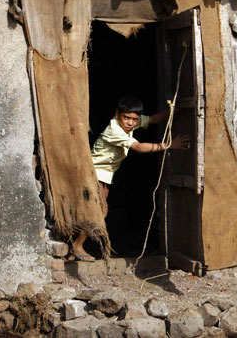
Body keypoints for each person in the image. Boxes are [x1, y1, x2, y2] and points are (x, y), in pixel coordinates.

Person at [70, 96, 189, 261]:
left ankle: (73, 245)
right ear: (118, 114)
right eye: (127, 118)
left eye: (134, 119)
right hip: (94, 172)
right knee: (99, 210)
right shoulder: (115, 130)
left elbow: (153, 119)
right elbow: (139, 147)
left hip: (105, 175)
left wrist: (172, 111)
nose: (131, 123)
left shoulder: (129, 125)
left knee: (96, 210)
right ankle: (77, 245)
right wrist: (168, 145)